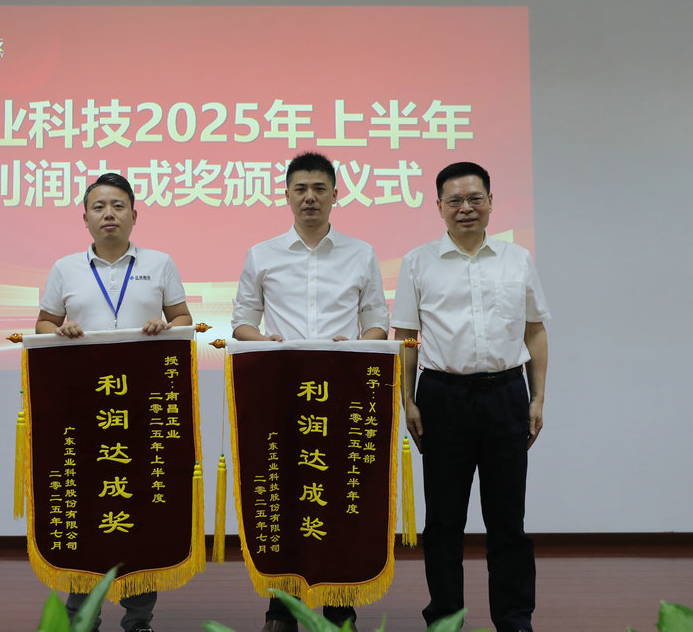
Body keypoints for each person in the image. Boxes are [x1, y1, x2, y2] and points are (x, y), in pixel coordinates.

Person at [231, 151, 389, 632]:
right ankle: (282, 608)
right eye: (300, 189)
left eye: (320, 189)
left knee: (340, 494)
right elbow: (242, 323)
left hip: (342, 393)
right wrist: (265, 341)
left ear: (336, 194)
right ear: (286, 195)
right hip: (282, 394)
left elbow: (377, 321)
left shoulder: (361, 253)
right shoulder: (262, 254)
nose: (310, 198)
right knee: (285, 495)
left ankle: (341, 607)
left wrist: (359, 344)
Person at [391, 161, 549, 632]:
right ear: (439, 206)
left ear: (491, 202)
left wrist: (537, 398)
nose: (466, 208)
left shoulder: (517, 259)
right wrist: (408, 401)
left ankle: (515, 620)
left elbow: (535, 331)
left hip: (506, 395)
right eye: (455, 200)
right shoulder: (417, 262)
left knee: (508, 520)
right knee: (444, 522)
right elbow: (406, 338)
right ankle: (445, 619)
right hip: (443, 398)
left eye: (475, 198)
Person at [35, 172, 192, 632]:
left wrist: (167, 326)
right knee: (86, 507)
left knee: (142, 506)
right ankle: (80, 616)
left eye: (118, 206)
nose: (109, 214)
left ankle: (139, 619)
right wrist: (59, 329)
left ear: (134, 216)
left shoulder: (159, 263)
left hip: (143, 411)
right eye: (99, 206)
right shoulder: (66, 268)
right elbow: (43, 324)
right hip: (85, 411)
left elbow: (184, 319)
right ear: (85, 217)